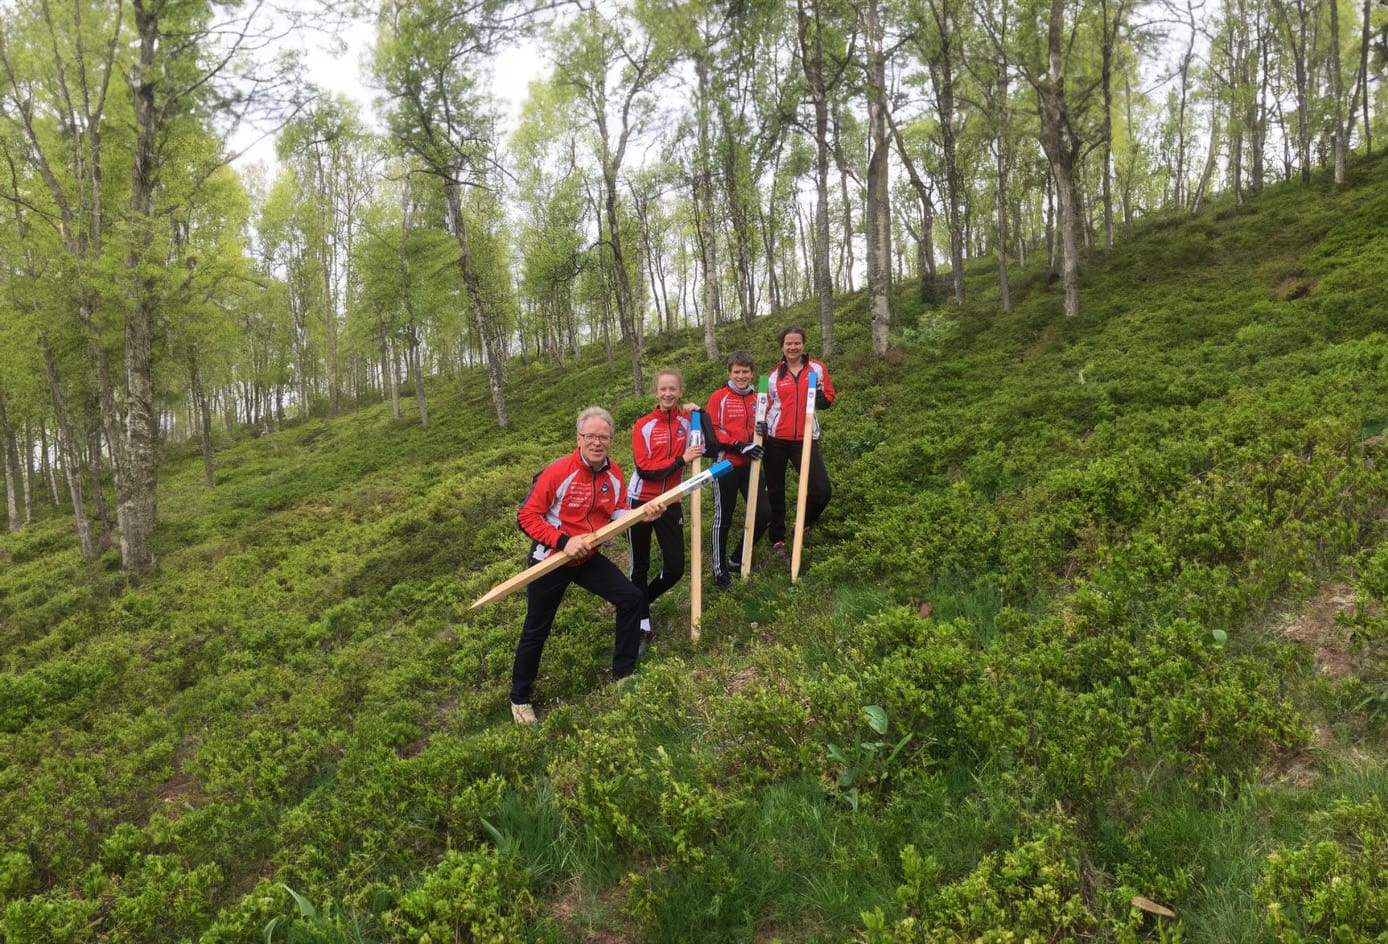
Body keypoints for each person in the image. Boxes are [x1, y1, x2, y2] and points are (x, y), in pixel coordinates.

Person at [510, 407, 661, 725]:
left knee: (632, 599)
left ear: (611, 440)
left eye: (603, 437)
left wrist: (641, 514)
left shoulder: (615, 473)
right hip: (551, 560)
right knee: (537, 628)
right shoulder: (557, 472)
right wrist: (564, 541)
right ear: (578, 438)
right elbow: (526, 517)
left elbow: (617, 511)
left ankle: (623, 673)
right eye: (590, 436)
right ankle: (519, 698)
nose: (597, 442)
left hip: (587, 558)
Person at [626, 369, 707, 651]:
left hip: (672, 501)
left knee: (675, 568)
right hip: (640, 501)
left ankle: (640, 600)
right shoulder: (643, 425)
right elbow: (645, 470)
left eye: (673, 389)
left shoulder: (688, 423)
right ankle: (643, 625)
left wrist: (702, 413)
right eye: (663, 389)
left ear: (681, 391)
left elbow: (709, 447)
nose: (668, 394)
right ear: (656, 393)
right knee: (640, 564)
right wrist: (680, 459)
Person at [762, 326, 835, 558]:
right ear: (782, 347)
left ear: (804, 345)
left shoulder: (817, 369)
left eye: (797, 343)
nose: (792, 347)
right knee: (775, 490)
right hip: (775, 440)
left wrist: (822, 395)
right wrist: (760, 428)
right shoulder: (771, 377)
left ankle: (804, 522)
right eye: (788, 343)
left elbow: (827, 401)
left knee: (822, 490)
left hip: (805, 438)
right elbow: (763, 406)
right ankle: (777, 538)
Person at [705, 351, 770, 590]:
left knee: (764, 514)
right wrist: (738, 445)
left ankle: (736, 558)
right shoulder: (719, 397)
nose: (741, 376)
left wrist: (765, 429)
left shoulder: (759, 398)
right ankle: (719, 570)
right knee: (724, 518)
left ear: (752, 373)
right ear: (730, 373)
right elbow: (712, 431)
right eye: (736, 372)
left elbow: (765, 428)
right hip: (726, 464)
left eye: (745, 372)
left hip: (752, 465)